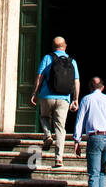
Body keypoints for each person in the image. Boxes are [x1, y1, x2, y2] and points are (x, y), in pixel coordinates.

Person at [30, 36, 80, 167]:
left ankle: (47, 135)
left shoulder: (47, 58)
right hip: (64, 98)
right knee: (60, 128)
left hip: (47, 96)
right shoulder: (71, 61)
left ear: (53, 47)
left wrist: (35, 93)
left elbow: (40, 76)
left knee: (44, 117)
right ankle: (59, 158)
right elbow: (76, 81)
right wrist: (75, 99)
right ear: (65, 46)